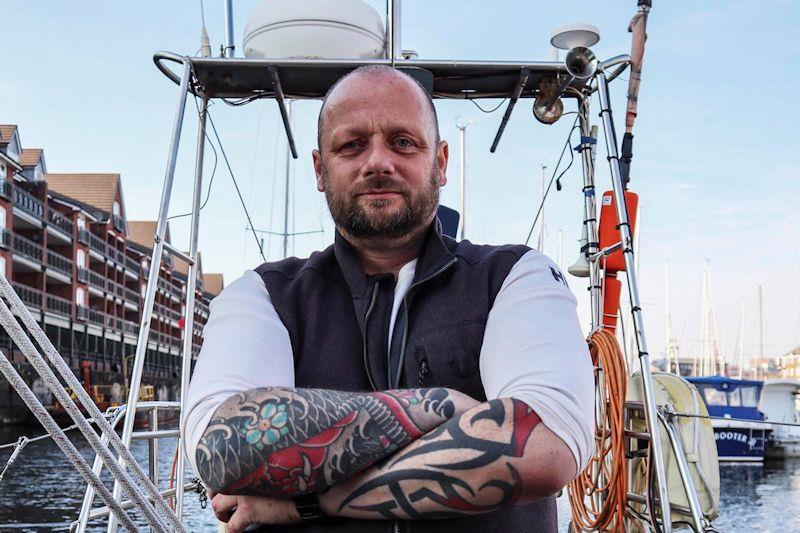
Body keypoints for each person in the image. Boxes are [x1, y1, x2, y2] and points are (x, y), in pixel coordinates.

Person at [183, 65, 594, 533]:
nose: (378, 161)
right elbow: (223, 448)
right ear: (321, 169)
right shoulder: (264, 295)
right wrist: (446, 406)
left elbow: (544, 446)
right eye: (352, 144)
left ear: (440, 162)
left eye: (402, 142)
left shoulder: (516, 276)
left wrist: (310, 501)